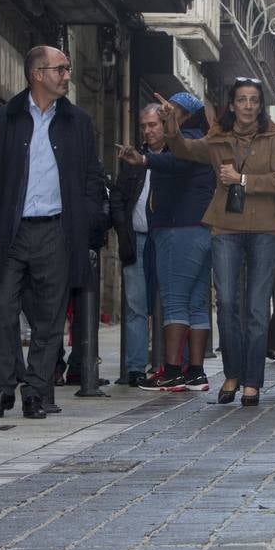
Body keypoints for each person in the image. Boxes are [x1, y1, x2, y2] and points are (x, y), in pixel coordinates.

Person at [0, 46, 105, 420]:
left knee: (49, 317)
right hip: (9, 232)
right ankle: (3, 387)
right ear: (36, 74)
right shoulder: (4, 120)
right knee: (1, 309)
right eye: (59, 69)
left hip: (57, 231)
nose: (66, 76)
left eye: (67, 69)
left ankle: (35, 389)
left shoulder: (78, 122)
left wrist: (89, 221)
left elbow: (92, 178)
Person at [157, 79, 275, 407]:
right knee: (227, 303)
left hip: (265, 228)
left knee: (257, 308)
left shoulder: (273, 135)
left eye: (253, 100)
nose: (247, 106)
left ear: (260, 106)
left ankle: (252, 381)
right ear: (232, 104)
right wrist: (171, 126)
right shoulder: (218, 137)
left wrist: (242, 180)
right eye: (241, 100)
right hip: (226, 226)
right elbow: (186, 150)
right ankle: (232, 372)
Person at [125, 93, 216, 392]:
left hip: (179, 229)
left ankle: (174, 370)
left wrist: (145, 159)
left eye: (168, 112)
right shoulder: (200, 138)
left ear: (183, 114)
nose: (164, 118)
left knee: (175, 301)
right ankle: (196, 372)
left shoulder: (187, 139)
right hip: (199, 229)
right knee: (196, 304)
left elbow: (175, 161)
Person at [109, 105, 166, 387]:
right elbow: (117, 198)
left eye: (153, 124)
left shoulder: (175, 156)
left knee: (167, 303)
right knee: (135, 306)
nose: (148, 130)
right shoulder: (131, 159)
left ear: (165, 125)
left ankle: (169, 365)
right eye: (144, 125)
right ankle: (135, 367)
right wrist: (123, 230)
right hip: (136, 239)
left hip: (166, 240)